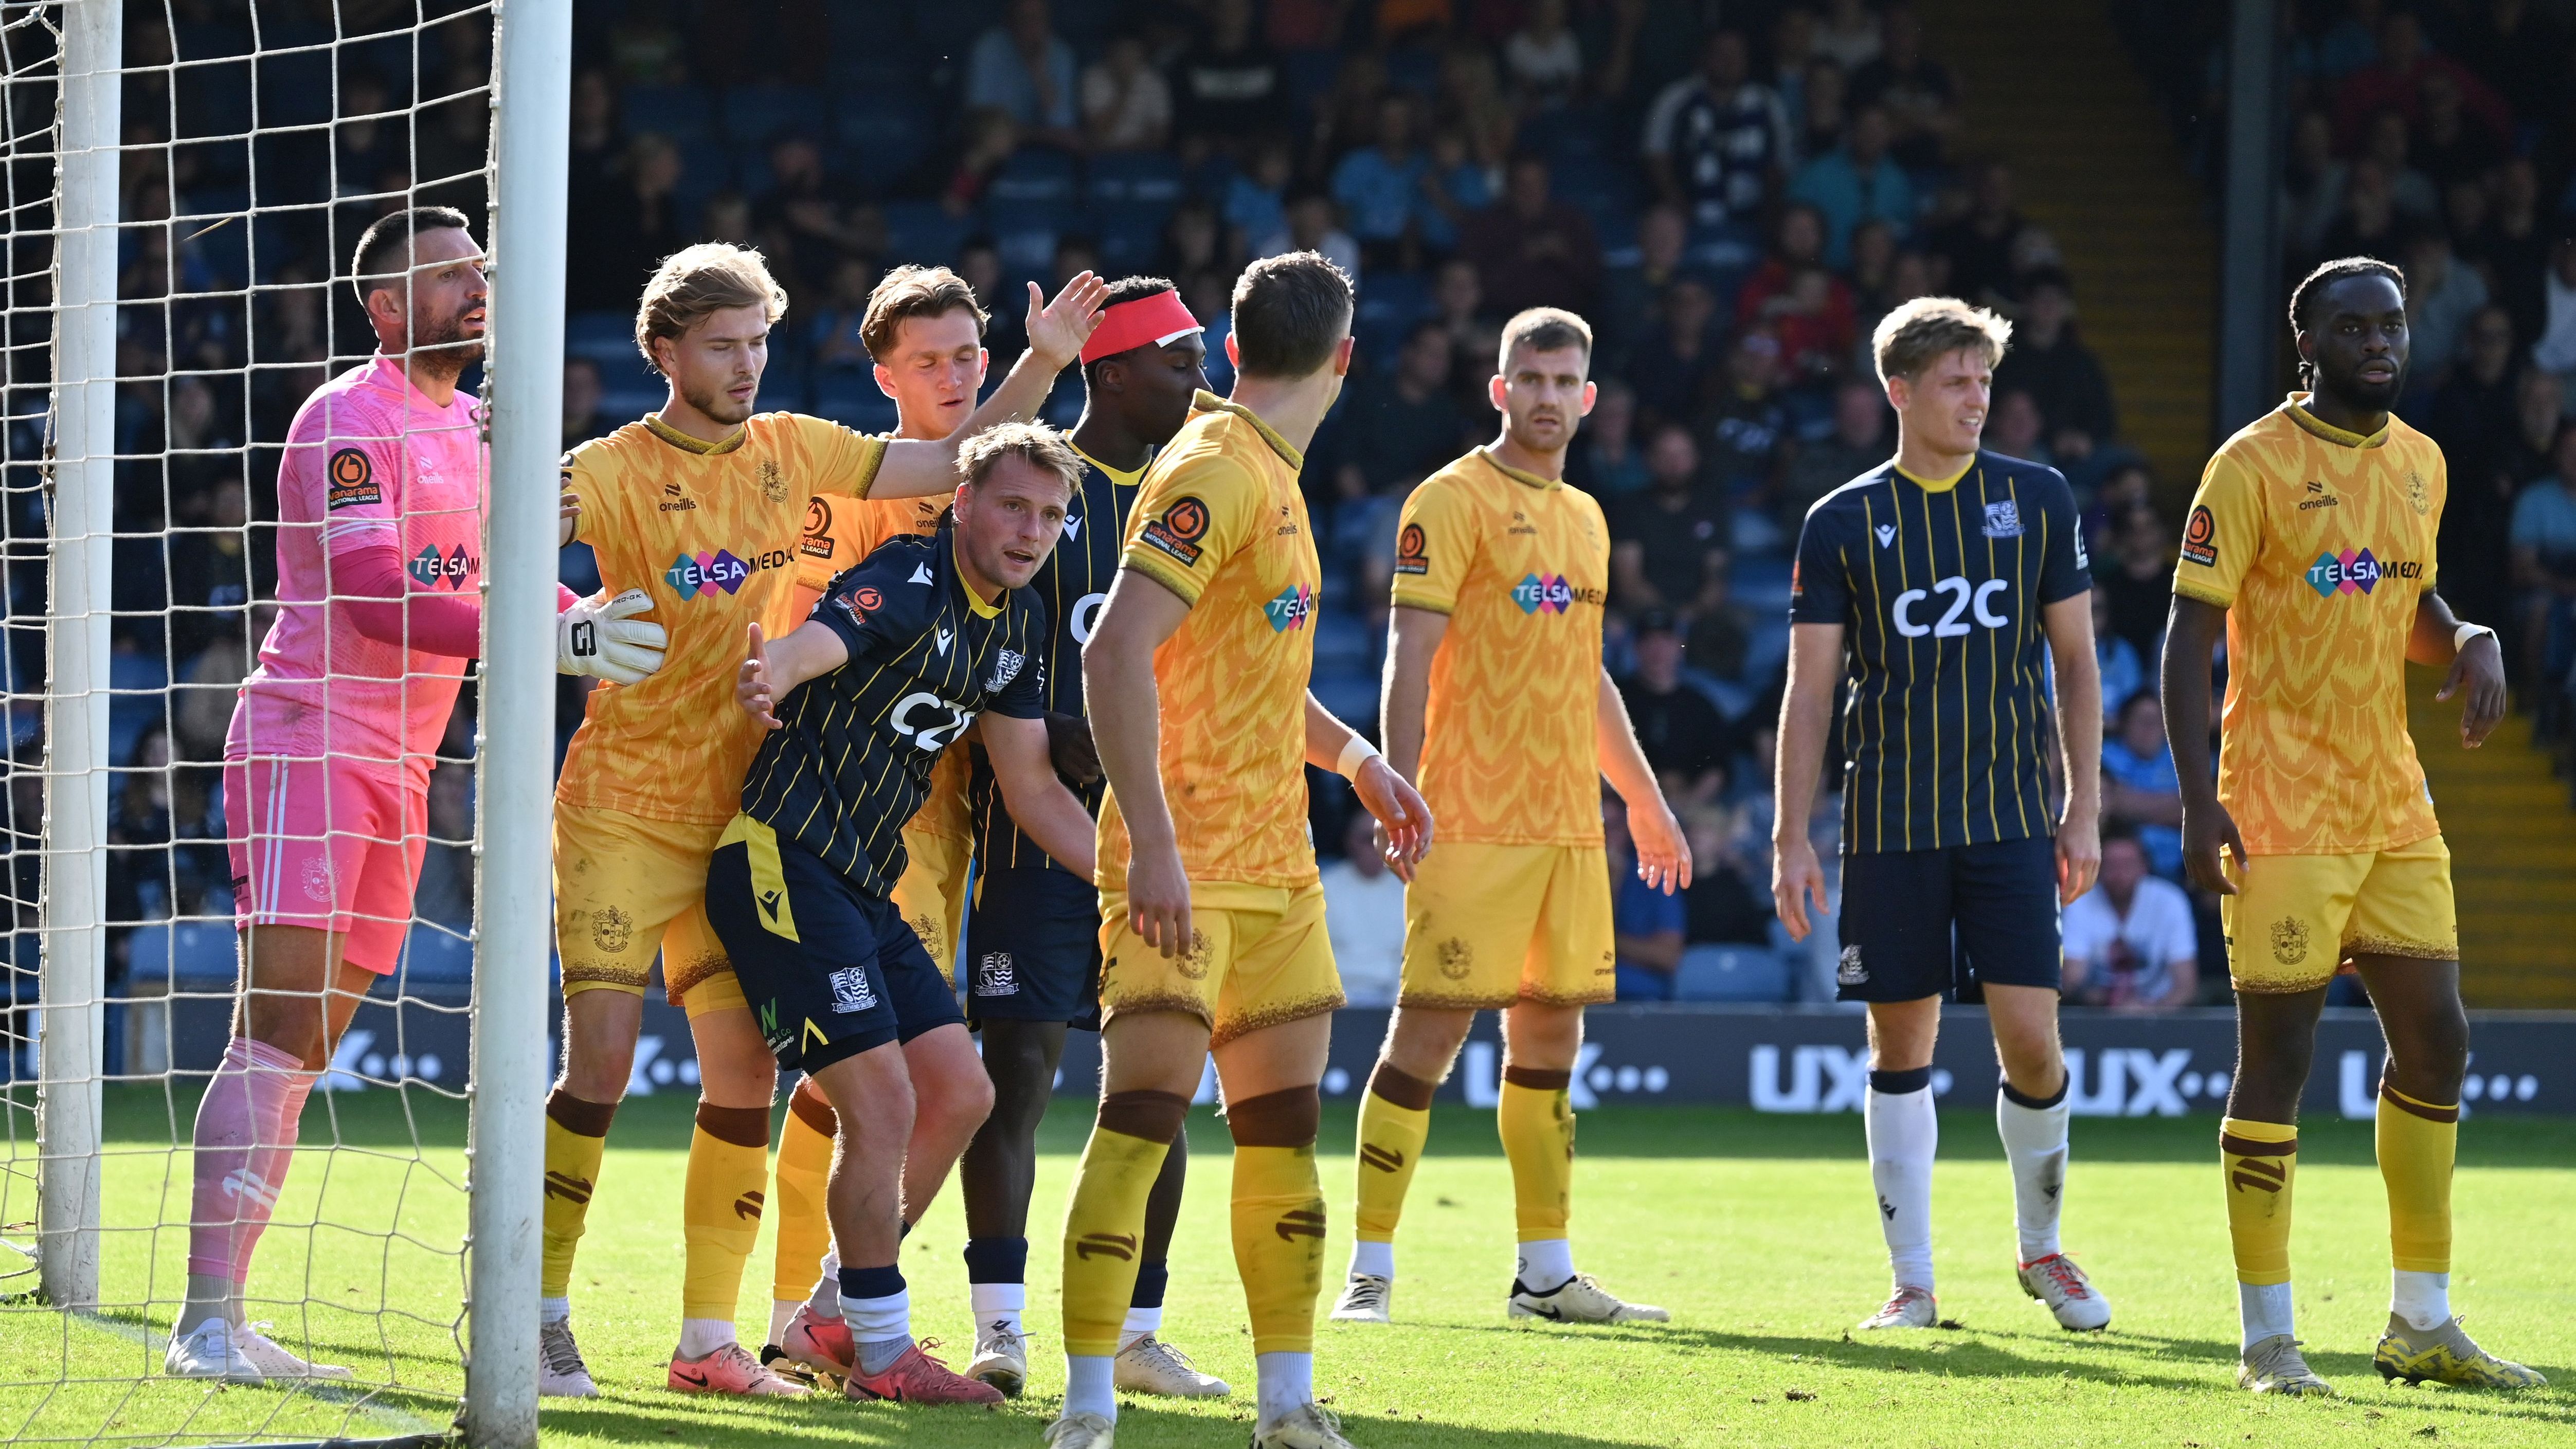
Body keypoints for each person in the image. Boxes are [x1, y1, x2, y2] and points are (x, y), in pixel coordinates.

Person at [534, 242, 1103, 1399]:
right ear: (664, 353)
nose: (745, 364)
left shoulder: (799, 449)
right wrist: (561, 628)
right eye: (720, 345)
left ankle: (707, 1338)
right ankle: (536, 1312)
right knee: (596, 1060)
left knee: (743, 1076)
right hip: (624, 805)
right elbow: (496, 555)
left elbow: (957, 459)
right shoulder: (606, 468)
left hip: (745, 808)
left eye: (756, 342)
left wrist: (1040, 366)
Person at [166, 209, 641, 1383]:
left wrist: (576, 615)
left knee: (310, 1040)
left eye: (482, 269)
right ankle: (204, 1323)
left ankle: (227, 1318)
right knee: (276, 1023)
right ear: (384, 307)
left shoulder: (481, 429)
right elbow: (378, 595)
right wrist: (553, 633)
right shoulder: (346, 419)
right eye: (445, 277)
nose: (475, 289)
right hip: (311, 736)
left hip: (408, 758)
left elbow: (497, 580)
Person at [1047, 251, 1431, 1449]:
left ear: (1229, 348)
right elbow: (1112, 654)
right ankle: (1084, 1406)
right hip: (1188, 860)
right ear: (1344, 357)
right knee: (1143, 1116)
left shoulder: (1262, 471)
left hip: (1277, 864)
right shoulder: (1216, 468)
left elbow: (1245, 675)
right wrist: (1152, 844)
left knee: (1281, 1134)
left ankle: (1284, 1402)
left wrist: (1358, 758)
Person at [2161, 257, 2539, 1397]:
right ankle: (2266, 1340)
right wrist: (2194, 798)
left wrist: (2466, 632)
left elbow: (2402, 602)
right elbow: (2185, 638)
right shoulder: (2247, 466)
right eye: (2353, 326)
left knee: (2437, 1039)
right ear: (2306, 342)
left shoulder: (2419, 462)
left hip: (2390, 802)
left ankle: (2418, 1318)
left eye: (2390, 324)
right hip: (2277, 803)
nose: (2379, 341)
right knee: (2274, 1059)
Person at [714, 424, 1097, 1406]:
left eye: (1050, 515)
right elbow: (823, 640)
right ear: (962, 501)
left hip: (858, 885)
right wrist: (781, 670)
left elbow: (1032, 790)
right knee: (880, 1104)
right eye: (1013, 505)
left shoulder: (1014, 631)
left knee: (960, 1093)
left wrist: (1131, 877)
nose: (1031, 530)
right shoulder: (910, 572)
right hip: (781, 859)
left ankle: (834, 1315)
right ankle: (883, 1353)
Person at [1330, 309, 1687, 1330]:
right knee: (1425, 1038)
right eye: (1526, 376)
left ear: (1585, 397)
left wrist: (1644, 799)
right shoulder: (1448, 498)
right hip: (1469, 818)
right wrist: (1396, 782)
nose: (1543, 394)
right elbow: (1405, 651)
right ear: (1497, 389)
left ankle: (1545, 1273)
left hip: (1567, 828)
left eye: (1562, 379)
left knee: (1549, 1043)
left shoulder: (1585, 515)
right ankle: (1368, 1269)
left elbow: (1587, 680)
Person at [1771, 296, 2111, 1337]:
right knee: (1897, 1043)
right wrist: (1790, 831)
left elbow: (2074, 663)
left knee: (2031, 1042)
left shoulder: (2038, 498)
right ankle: (1911, 1281)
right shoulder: (1839, 520)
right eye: (1956, 381)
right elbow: (1809, 687)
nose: (1976, 400)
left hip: (2009, 815)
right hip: (1887, 820)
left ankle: (2039, 1246)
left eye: (1982, 380)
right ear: (1899, 391)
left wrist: (2082, 805)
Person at [760, 265, 1048, 1381]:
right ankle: (799, 1305)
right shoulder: (849, 490)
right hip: (831, 819)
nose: (955, 374)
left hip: (942, 827)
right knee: (835, 1083)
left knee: (933, 1086)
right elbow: (805, 643)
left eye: (970, 355)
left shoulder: (1014, 483)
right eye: (930, 360)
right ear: (884, 375)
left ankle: (840, 1302)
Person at [947, 279, 1228, 1400]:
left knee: (1153, 1084)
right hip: (1034, 838)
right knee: (1015, 1072)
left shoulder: (1196, 491)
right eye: (1176, 360)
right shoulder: (1035, 487)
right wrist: (1046, 729)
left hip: (1164, 834)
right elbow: (984, 629)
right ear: (1111, 372)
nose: (1196, 380)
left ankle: (1137, 1328)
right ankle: (1000, 1323)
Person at [2061, 828, 2197, 1011]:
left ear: (2144, 867)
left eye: (2128, 864)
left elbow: (2186, 985)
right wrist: (2112, 1003)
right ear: (2097, 868)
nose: (2119, 874)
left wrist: (2149, 1011)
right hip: (2098, 1015)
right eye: (2112, 865)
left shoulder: (2170, 900)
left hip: (2161, 1017)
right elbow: (2071, 980)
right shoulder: (2079, 902)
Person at [1320, 811, 1406, 1008]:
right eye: (1369, 840)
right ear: (1350, 841)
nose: (1376, 847)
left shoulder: (1406, 891)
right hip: (1337, 1001)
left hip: (1393, 1001)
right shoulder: (1325, 888)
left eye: (1385, 839)